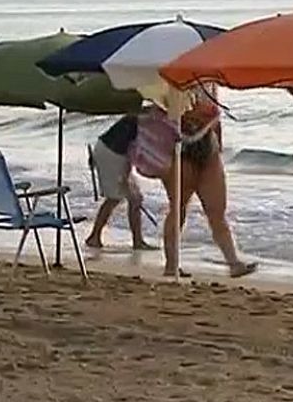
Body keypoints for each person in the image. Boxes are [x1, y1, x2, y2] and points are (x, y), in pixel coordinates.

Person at [157, 85, 257, 278]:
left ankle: (233, 262)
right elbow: (165, 111)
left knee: (217, 211)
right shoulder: (173, 79)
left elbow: (215, 118)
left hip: (208, 147)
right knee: (178, 209)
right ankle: (171, 265)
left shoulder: (210, 80)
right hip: (181, 148)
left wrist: (219, 146)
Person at [85, 114, 157, 251]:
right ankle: (95, 237)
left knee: (131, 197)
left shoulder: (146, 118)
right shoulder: (146, 123)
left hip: (107, 150)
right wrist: (125, 177)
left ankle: (97, 236)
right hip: (112, 154)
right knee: (123, 198)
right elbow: (131, 149)